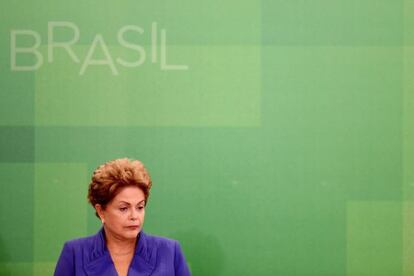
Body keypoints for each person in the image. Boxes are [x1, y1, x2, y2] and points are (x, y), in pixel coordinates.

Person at [54, 158, 191, 276]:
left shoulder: (170, 252)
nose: (134, 216)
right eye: (124, 208)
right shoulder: (75, 253)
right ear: (101, 211)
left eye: (140, 207)